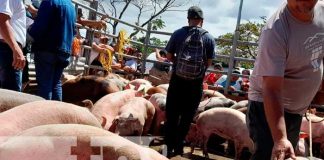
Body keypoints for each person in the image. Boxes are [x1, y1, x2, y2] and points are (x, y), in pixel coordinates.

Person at [247, 0, 324, 160]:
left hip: (296, 109)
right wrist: (280, 138)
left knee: (288, 156)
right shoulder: (275, 30)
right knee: (272, 154)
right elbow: (271, 89)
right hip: (267, 105)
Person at [164, 6, 216, 157]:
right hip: (195, 83)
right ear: (202, 21)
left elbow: (168, 56)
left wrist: (177, 63)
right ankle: (179, 147)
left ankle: (168, 146)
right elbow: (209, 62)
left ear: (188, 19)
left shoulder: (178, 33)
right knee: (187, 116)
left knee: (172, 114)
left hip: (177, 80)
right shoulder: (209, 38)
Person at [28, 0, 76, 100]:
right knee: (56, 83)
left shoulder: (48, 1)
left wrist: (28, 31)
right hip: (64, 50)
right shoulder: (71, 6)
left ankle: (45, 114)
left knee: (45, 85)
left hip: (48, 48)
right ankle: (57, 113)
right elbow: (73, 30)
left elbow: (39, 27)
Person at [0, 0, 26, 92]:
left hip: (7, 47)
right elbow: (2, 21)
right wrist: (16, 48)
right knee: (11, 95)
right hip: (7, 48)